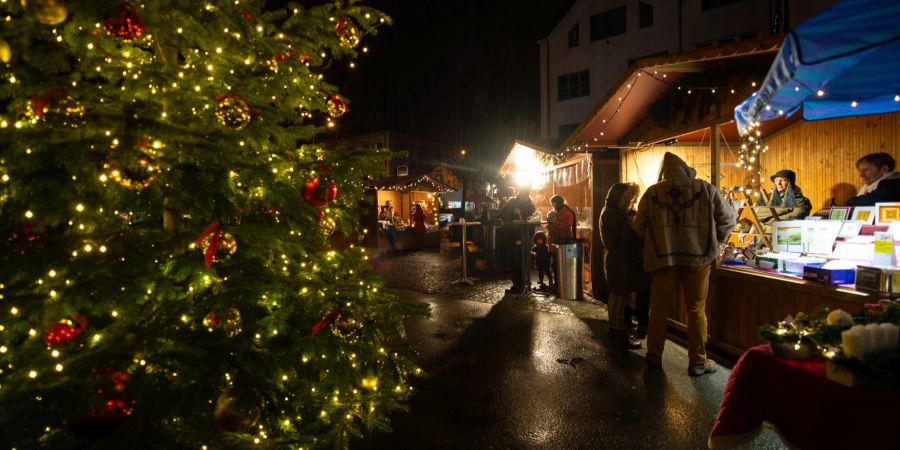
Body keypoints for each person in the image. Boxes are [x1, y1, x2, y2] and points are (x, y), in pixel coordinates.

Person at [634, 152, 736, 376]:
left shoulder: (652, 193)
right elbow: (728, 219)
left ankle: (653, 357)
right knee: (696, 310)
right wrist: (714, 242)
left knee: (659, 309)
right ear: (685, 169)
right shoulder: (706, 189)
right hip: (698, 259)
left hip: (663, 260)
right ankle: (698, 362)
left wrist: (657, 241)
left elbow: (639, 227)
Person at [599, 183, 647, 350]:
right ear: (621, 197)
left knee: (617, 295)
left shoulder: (609, 211)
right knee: (621, 296)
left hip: (616, 259)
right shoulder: (615, 215)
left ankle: (616, 331)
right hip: (621, 261)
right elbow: (629, 237)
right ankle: (619, 333)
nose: (632, 201)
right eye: (629, 198)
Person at [499, 186, 536, 294]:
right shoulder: (513, 202)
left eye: (527, 196)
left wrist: (526, 216)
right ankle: (518, 284)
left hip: (526, 235)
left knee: (524, 259)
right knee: (516, 260)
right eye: (524, 196)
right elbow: (502, 215)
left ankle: (524, 282)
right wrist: (513, 215)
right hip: (514, 235)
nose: (526, 198)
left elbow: (531, 215)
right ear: (520, 194)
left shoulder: (529, 203)